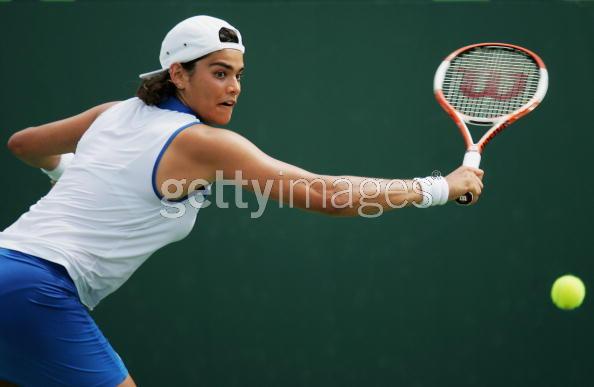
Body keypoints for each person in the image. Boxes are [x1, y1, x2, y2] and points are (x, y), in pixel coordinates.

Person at [0, 15, 484, 387]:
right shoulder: (202, 143)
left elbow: (24, 144)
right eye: (218, 72)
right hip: (38, 288)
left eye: (238, 74)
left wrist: (71, 176)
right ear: (178, 74)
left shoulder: (112, 114)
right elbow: (327, 194)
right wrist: (441, 187)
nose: (233, 87)